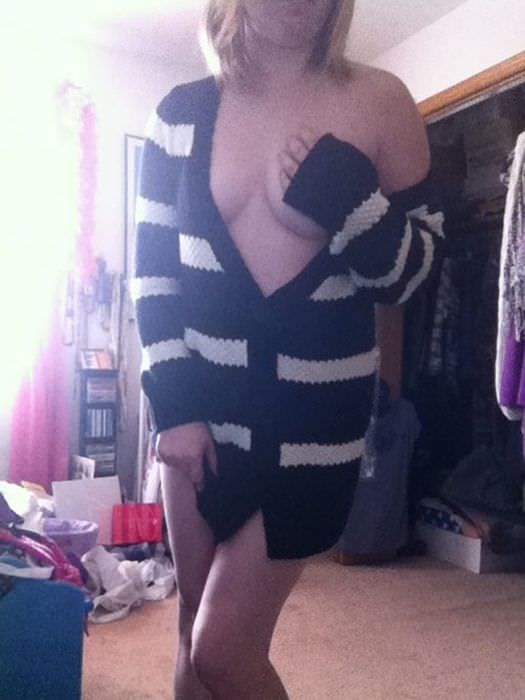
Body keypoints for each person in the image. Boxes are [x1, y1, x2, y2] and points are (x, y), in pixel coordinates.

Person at [132, 1, 445, 698]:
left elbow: (414, 277)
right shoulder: (179, 113)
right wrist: (174, 408)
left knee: (222, 651)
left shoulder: (379, 101)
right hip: (198, 415)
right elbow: (152, 277)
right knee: (189, 623)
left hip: (312, 423)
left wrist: (351, 204)